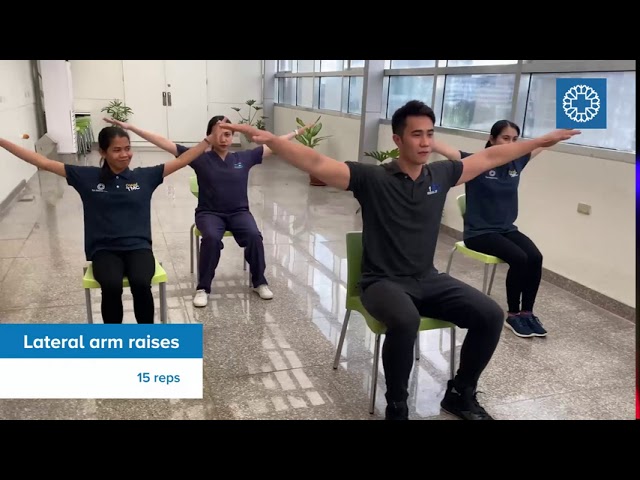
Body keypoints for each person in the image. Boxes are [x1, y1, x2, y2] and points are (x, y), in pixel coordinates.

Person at [218, 100, 580, 420]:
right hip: (381, 283)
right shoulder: (372, 178)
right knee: (405, 320)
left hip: (427, 278)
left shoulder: (442, 174)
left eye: (429, 134)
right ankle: (397, 404)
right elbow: (316, 162)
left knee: (489, 314)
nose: (424, 142)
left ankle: (460, 392)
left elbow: (490, 157)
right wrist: (273, 140)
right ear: (398, 140)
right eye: (416, 134)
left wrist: (540, 141)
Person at [0, 125, 218, 324]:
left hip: (138, 247)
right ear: (102, 152)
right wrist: (2, 141)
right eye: (117, 150)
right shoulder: (86, 177)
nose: (124, 154)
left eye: (128, 148)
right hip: (104, 249)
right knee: (111, 285)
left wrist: (208, 141)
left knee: (141, 283)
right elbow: (43, 162)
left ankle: (147, 338)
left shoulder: (145, 177)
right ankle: (113, 340)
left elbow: (182, 160)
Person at [104, 116, 314, 308]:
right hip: (209, 214)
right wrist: (132, 128)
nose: (223, 138)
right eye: (217, 134)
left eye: (228, 134)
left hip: (239, 212)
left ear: (233, 136)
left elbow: (274, 144)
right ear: (209, 136)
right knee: (211, 238)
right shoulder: (199, 158)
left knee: (254, 236)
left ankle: (259, 281)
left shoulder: (244, 157)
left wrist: (296, 132)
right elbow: (163, 142)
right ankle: (203, 288)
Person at [432, 120, 548, 339]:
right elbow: (448, 151)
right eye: (505, 138)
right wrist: (425, 139)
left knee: (535, 257)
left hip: (506, 229)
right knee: (519, 259)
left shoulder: (517, 162)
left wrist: (559, 134)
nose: (511, 144)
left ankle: (527, 313)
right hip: (479, 233)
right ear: (492, 139)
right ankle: (513, 315)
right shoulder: (476, 162)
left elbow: (541, 144)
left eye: (515, 139)